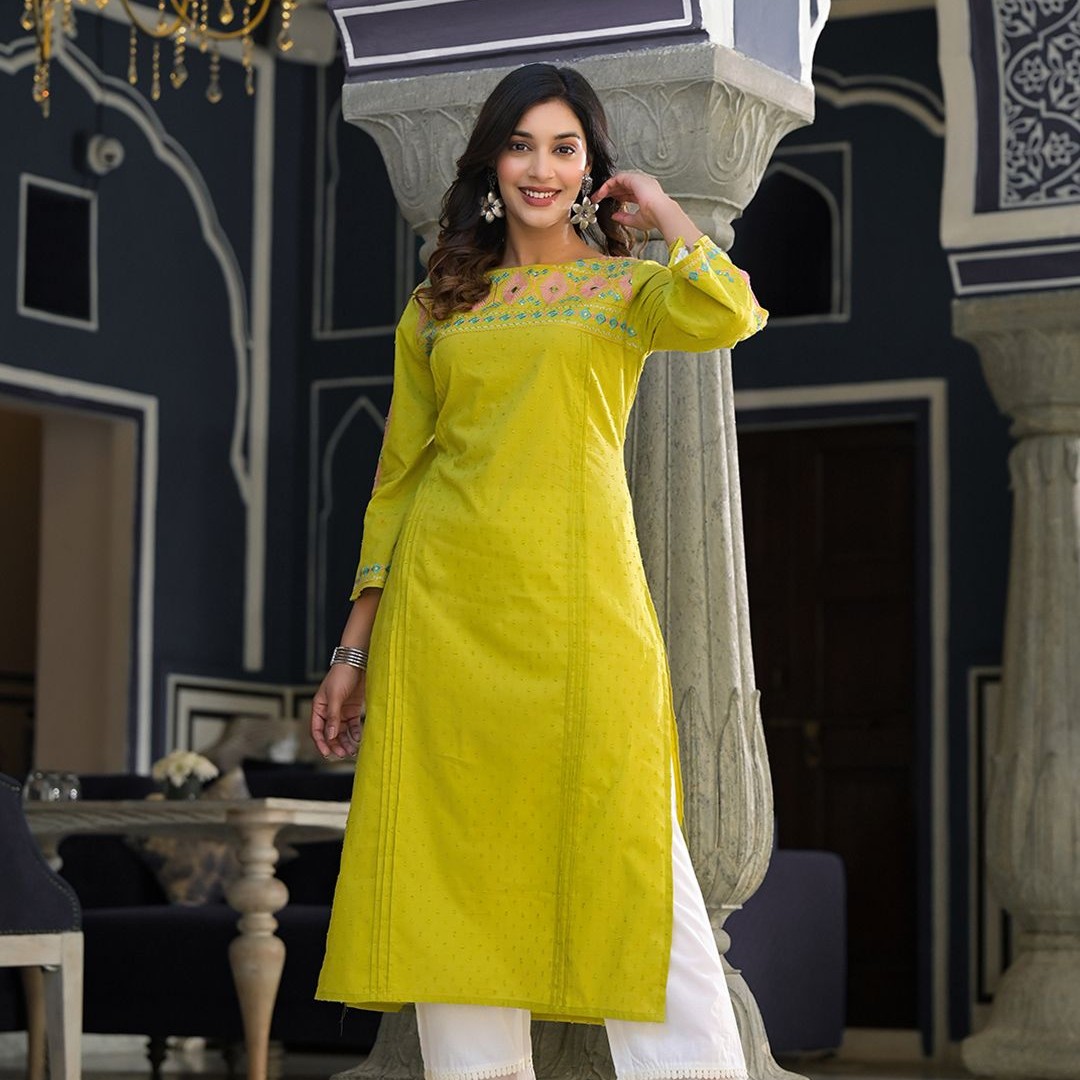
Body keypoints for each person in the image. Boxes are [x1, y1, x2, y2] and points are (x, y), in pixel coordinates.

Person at [311, 63, 766, 1080]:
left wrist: (660, 207)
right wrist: (353, 651)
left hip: (582, 616)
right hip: (445, 621)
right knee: (454, 889)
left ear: (591, 168)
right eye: (522, 146)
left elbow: (730, 311)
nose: (541, 169)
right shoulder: (438, 305)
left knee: (639, 872)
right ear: (491, 163)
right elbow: (398, 481)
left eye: (566, 149)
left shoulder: (628, 291)